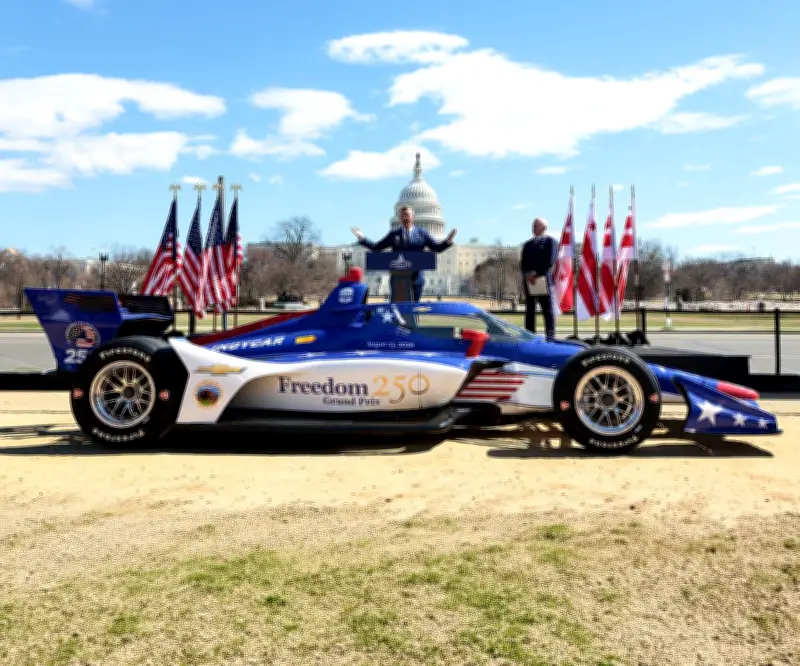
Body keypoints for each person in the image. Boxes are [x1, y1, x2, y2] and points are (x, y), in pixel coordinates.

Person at [351, 206, 457, 302]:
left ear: (412, 217)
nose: (405, 218)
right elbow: (377, 247)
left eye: (407, 215)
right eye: (402, 216)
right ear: (400, 219)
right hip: (398, 278)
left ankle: (412, 323)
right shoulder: (394, 235)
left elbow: (436, 248)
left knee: (413, 307)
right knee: (399, 308)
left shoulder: (422, 233)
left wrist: (448, 241)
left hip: (417, 277)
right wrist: (362, 238)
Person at [520, 217, 558, 339]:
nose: (533, 227)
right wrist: (527, 274)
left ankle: (550, 337)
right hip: (529, 281)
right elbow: (523, 263)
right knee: (530, 310)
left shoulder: (550, 242)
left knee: (547, 310)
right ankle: (529, 335)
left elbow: (550, 261)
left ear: (544, 227)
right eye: (533, 224)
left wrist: (535, 273)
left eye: (536, 225)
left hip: (543, 281)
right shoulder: (527, 245)